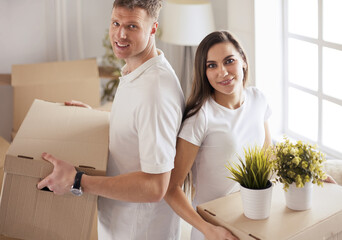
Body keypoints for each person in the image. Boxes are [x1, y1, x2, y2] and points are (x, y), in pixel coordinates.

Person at [37, 0, 184, 239]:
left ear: (153, 28)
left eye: (132, 26)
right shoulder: (136, 70)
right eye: (116, 23)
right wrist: (96, 118)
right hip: (119, 223)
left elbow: (155, 186)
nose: (120, 34)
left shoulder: (154, 91)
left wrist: (77, 180)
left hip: (140, 231)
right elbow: (137, 128)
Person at [164, 30, 272, 240]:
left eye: (229, 61)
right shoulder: (200, 117)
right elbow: (171, 188)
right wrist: (209, 230)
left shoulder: (258, 99)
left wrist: (309, 177)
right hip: (213, 230)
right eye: (211, 65)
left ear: (243, 61)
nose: (222, 72)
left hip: (252, 221)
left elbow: (268, 158)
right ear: (204, 72)